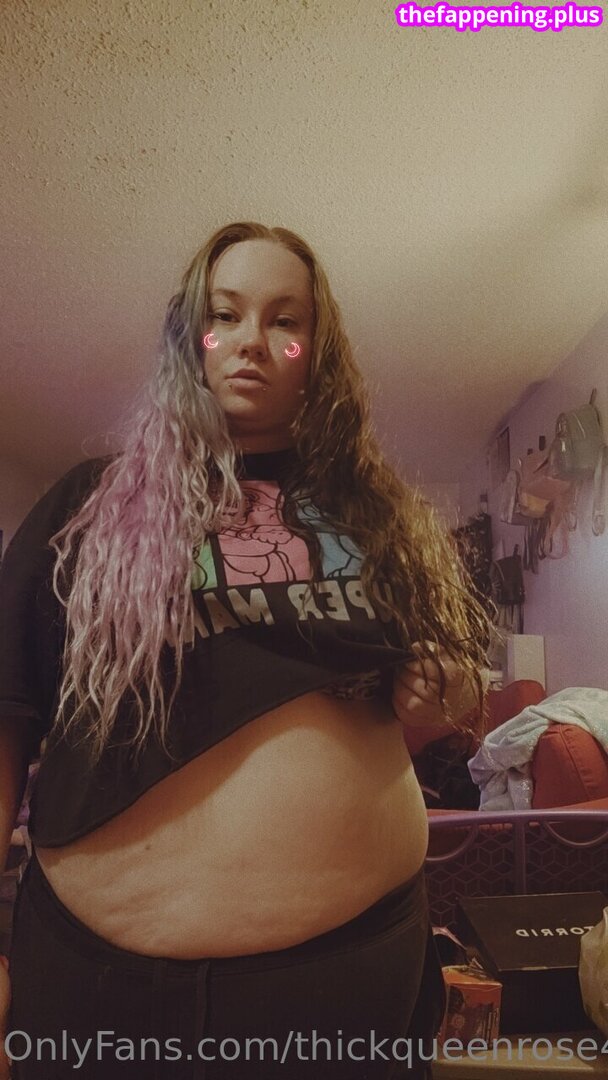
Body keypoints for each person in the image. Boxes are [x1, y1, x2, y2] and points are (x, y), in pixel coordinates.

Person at [0, 221, 494, 1079]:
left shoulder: (378, 514)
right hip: (100, 987)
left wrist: (447, 692)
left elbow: (450, 683)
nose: (252, 342)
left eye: (284, 321)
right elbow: (7, 716)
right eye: (224, 316)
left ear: (316, 353)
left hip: (346, 977)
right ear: (192, 336)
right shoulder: (88, 508)